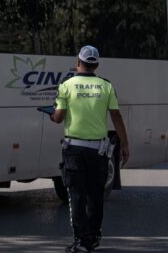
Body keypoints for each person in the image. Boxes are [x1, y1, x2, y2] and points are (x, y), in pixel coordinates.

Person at [50, 45, 130, 253]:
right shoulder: (106, 86)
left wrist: (51, 114)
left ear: (78, 62)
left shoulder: (66, 85)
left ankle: (81, 240)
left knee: (76, 196)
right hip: (98, 152)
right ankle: (93, 238)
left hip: (74, 151)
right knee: (95, 195)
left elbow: (58, 118)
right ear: (96, 65)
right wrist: (125, 144)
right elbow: (116, 117)